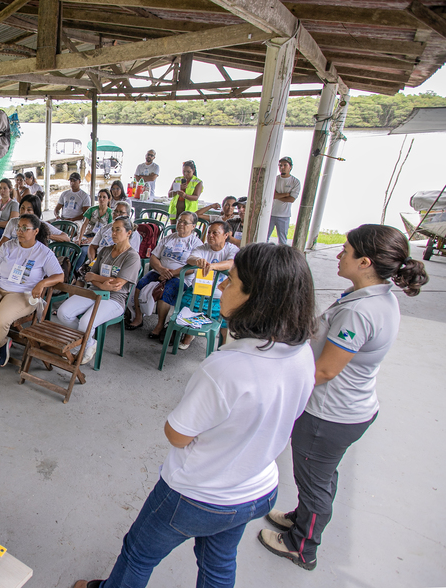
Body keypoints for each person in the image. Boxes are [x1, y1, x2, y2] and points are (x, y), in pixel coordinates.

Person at [73, 242, 317, 588]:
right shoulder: (302, 352)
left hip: (199, 494)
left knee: (138, 553)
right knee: (218, 564)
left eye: (230, 281)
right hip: (256, 488)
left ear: (256, 298)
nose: (221, 287)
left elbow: (178, 433)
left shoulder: (228, 367)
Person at [258, 224, 429, 571]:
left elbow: (324, 371)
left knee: (315, 479)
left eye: (346, 250)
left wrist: (275, 387)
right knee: (320, 475)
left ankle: (302, 546)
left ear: (365, 262)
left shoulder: (361, 312)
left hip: (328, 414)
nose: (338, 253)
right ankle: (302, 518)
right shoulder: (372, 297)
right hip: (349, 409)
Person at [0, 214, 64, 371]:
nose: (20, 231)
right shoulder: (8, 246)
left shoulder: (44, 253)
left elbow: (59, 276)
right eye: (18, 227)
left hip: (23, 294)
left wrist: (42, 283)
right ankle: (2, 342)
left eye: (25, 228)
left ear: (35, 231)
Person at [56, 218, 139, 365]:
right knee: (63, 313)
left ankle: (81, 344)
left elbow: (117, 284)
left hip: (114, 299)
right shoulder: (105, 251)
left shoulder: (132, 256)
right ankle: (87, 343)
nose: (113, 233)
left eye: (118, 229)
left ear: (129, 233)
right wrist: (101, 283)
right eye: (113, 229)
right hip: (94, 291)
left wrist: (97, 278)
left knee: (86, 322)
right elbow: (89, 276)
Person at [128, 211, 202, 336]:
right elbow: (154, 257)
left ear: (193, 226)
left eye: (185, 222)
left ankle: (160, 324)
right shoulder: (168, 238)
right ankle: (138, 317)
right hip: (160, 271)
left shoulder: (196, 243)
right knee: (140, 285)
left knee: (166, 292)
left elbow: (194, 267)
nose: (181, 224)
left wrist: (173, 273)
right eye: (179, 221)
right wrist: (162, 269)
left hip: (181, 276)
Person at [177, 220, 238, 349]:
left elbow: (231, 263)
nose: (210, 235)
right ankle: (188, 334)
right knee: (185, 306)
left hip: (220, 295)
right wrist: (198, 260)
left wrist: (213, 266)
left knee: (227, 319)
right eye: (209, 232)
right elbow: (190, 258)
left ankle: (222, 345)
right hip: (198, 292)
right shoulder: (202, 248)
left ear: (226, 235)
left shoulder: (232, 249)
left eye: (215, 233)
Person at [0, 194, 71, 252]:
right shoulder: (13, 222)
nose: (24, 212)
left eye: (29, 210)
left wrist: (45, 234)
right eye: (22, 208)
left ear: (35, 212)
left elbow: (66, 238)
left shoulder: (41, 225)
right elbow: (2, 242)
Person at [268, 156, 301, 245]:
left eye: (285, 165)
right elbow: (271, 195)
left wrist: (277, 196)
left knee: (282, 240)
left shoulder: (295, 182)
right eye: (280, 165)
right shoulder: (275, 179)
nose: (282, 167)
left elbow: (291, 199)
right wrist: (286, 194)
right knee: (265, 237)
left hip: (284, 215)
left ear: (290, 167)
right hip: (271, 213)